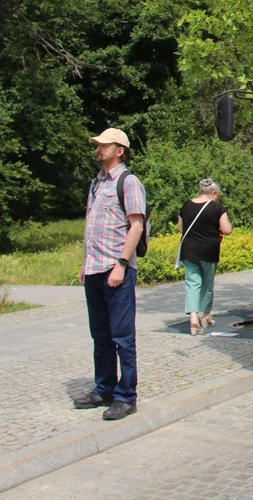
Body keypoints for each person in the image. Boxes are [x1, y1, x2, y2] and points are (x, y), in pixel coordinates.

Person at [74, 128, 145, 421]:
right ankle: (103, 388)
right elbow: (90, 224)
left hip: (116, 269)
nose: (98, 149)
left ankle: (126, 397)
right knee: (100, 336)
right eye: (97, 145)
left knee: (122, 337)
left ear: (120, 150)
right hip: (94, 268)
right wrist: (83, 263)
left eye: (104, 145)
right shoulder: (96, 184)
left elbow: (136, 225)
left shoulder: (128, 183)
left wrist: (122, 263)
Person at [178, 179, 232, 335]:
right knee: (207, 284)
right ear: (213, 193)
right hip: (209, 250)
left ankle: (193, 318)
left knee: (192, 283)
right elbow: (227, 230)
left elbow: (180, 227)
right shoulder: (217, 207)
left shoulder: (186, 205)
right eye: (217, 195)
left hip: (188, 250)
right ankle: (205, 316)